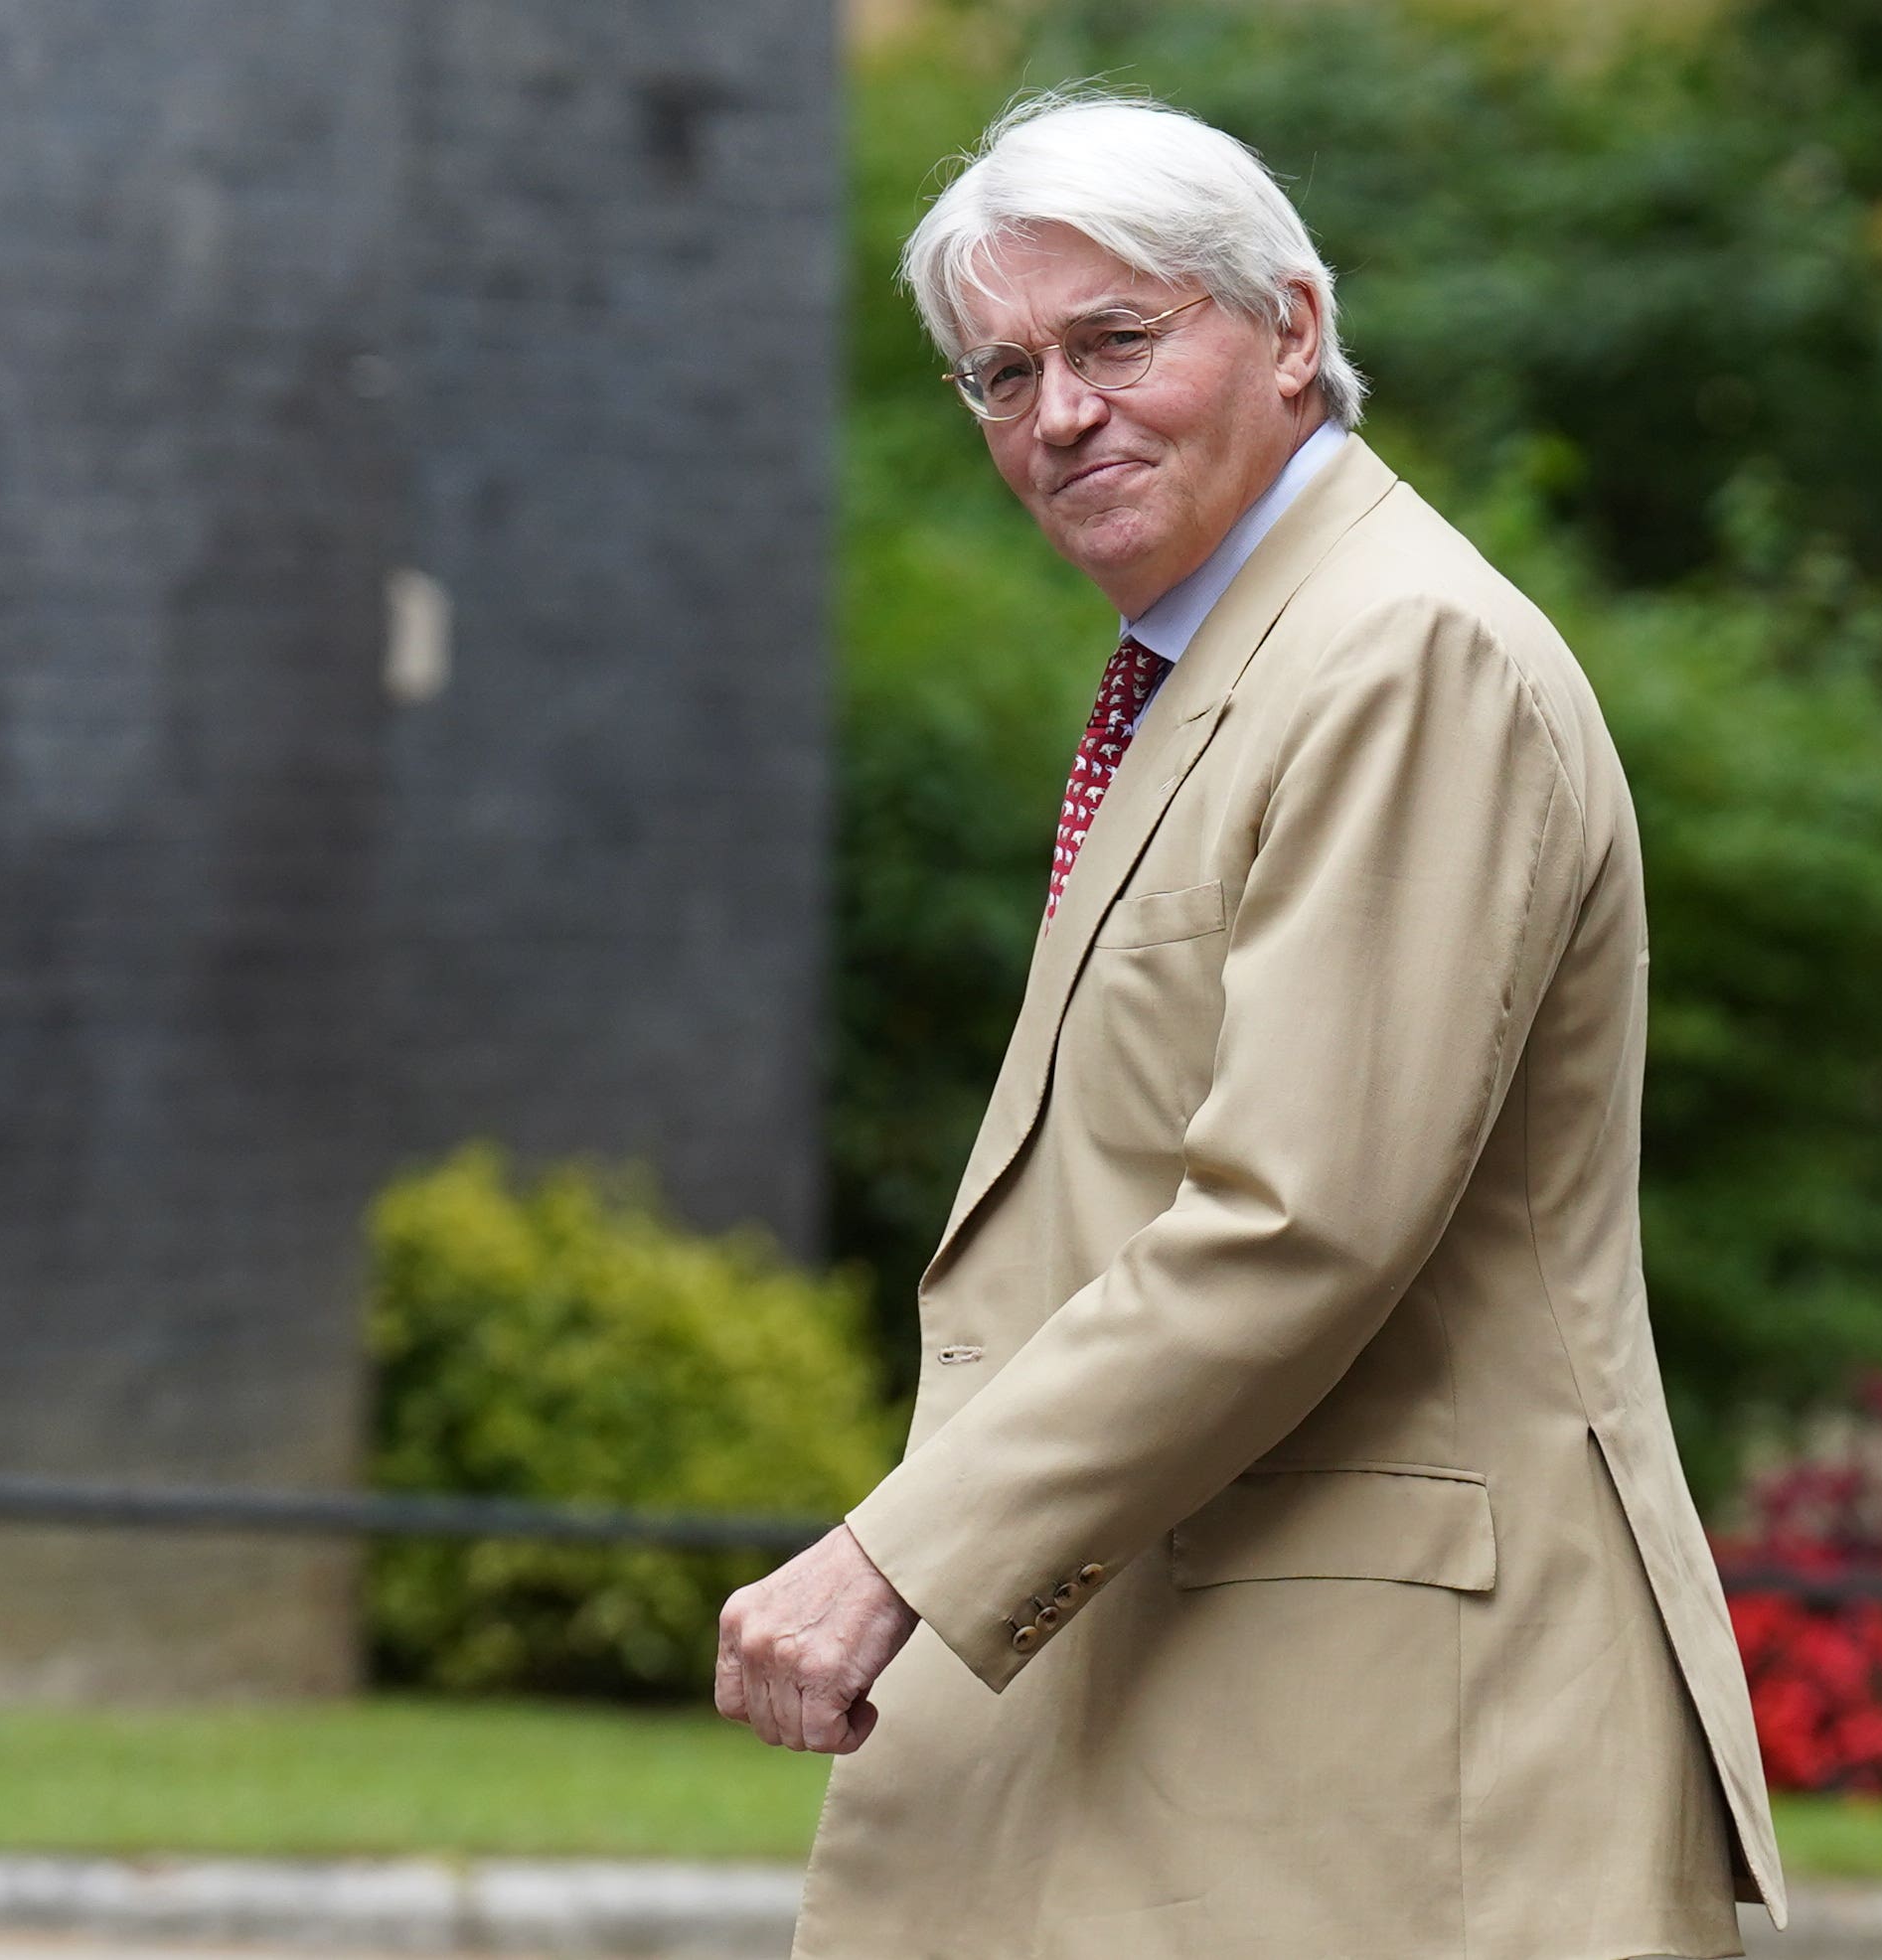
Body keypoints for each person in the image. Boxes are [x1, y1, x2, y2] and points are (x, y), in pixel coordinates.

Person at [714, 88, 1787, 1960]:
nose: (1056, 413)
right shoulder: (1246, 655)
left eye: (1117, 338)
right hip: (1244, 1718)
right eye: (999, 374)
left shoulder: (1398, 655)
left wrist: (903, 1547)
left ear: (1293, 328)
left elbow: (1298, 1219)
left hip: (1373, 1752)